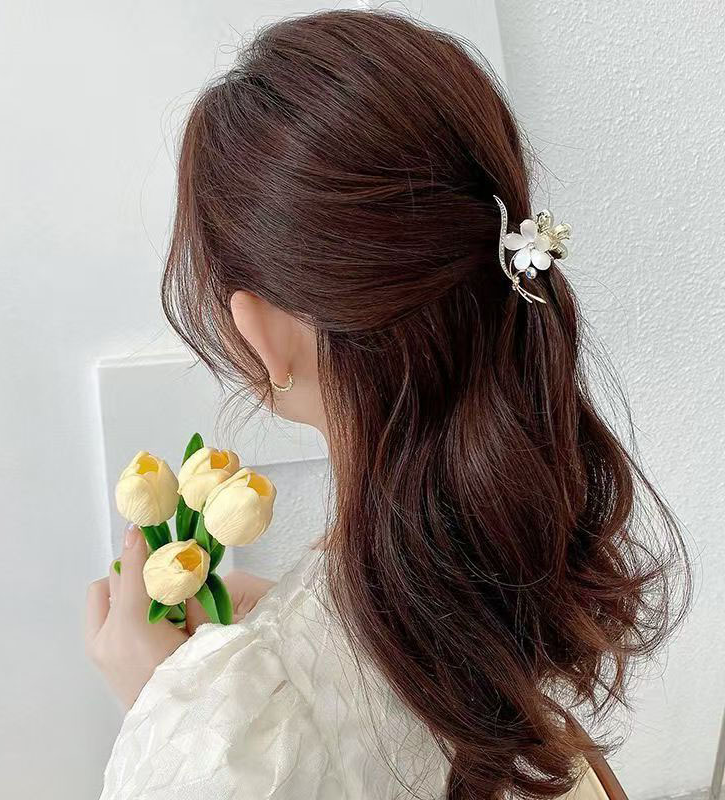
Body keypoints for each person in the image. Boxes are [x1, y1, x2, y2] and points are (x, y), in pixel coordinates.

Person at [85, 9, 689, 800]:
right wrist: (273, 649)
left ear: (263, 335)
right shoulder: (518, 542)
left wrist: (174, 723)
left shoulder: (212, 746)